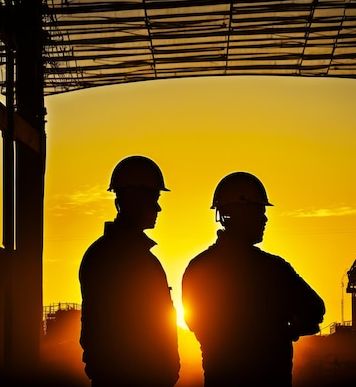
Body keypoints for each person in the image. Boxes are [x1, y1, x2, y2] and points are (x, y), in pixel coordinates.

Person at [181, 172, 325, 387]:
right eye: (260, 211)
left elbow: (194, 323)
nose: (265, 218)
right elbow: (315, 309)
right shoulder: (274, 270)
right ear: (241, 213)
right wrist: (288, 328)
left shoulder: (198, 268)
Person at [79, 155, 180, 387]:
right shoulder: (126, 260)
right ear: (133, 198)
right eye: (153, 198)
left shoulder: (102, 255)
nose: (158, 207)